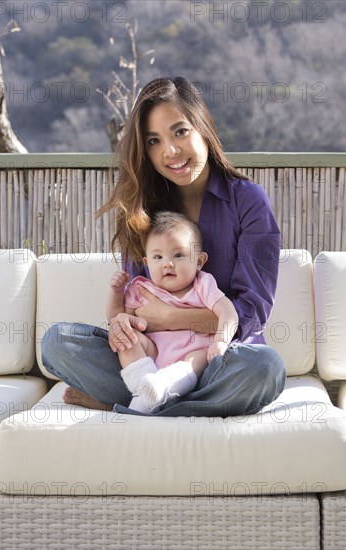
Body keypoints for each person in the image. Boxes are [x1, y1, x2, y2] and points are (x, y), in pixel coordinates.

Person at [42, 76, 286, 417]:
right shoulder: (142, 208)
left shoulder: (248, 201)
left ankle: (126, 405)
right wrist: (122, 325)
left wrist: (171, 317)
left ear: (202, 126)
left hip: (219, 361)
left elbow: (251, 315)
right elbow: (136, 305)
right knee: (57, 341)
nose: (170, 151)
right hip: (153, 361)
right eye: (154, 141)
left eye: (180, 132)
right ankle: (164, 400)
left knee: (267, 369)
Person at [107, 210, 238, 413]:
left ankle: (152, 396)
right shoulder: (141, 288)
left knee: (202, 357)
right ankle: (145, 387)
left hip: (193, 355)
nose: (168, 263)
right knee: (125, 335)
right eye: (158, 257)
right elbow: (117, 320)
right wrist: (116, 293)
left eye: (178, 255)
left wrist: (221, 340)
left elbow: (228, 311)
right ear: (147, 263)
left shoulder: (202, 285)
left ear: (199, 261)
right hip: (152, 354)